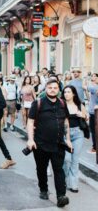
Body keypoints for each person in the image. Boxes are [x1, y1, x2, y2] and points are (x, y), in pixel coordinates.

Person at [26, 79, 72, 208]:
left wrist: (67, 139)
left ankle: (61, 196)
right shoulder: (38, 103)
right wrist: (30, 139)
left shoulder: (62, 104)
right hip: (40, 144)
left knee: (59, 170)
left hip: (58, 144)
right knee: (41, 169)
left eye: (55, 88)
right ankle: (43, 189)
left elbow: (66, 122)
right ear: (46, 88)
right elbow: (30, 122)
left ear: (58, 90)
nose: (53, 89)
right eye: (50, 87)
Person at [62, 85, 87, 193]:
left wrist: (83, 115)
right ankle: (65, 180)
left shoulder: (79, 105)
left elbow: (87, 117)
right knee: (67, 159)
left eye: (69, 92)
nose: (66, 94)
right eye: (65, 92)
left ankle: (74, 184)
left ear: (73, 94)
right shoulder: (61, 105)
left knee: (75, 160)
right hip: (64, 134)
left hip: (78, 134)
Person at [87, 73, 98, 154]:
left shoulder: (94, 87)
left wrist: (87, 80)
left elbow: (85, 86)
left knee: (94, 130)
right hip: (92, 111)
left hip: (94, 112)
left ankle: (95, 148)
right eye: (92, 76)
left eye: (95, 76)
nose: (93, 78)